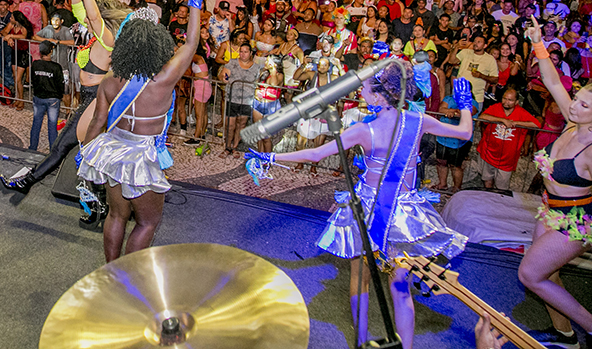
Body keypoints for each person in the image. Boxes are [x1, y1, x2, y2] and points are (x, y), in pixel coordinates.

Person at [245, 64, 473, 349]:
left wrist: (271, 159)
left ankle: (361, 343)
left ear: (380, 96)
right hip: (403, 216)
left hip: (369, 212)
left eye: (365, 89)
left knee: (360, 281)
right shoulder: (418, 120)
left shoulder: (364, 130)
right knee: (401, 287)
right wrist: (465, 105)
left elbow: (316, 154)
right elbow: (464, 132)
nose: (360, 91)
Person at [78, 0, 206, 262]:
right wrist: (194, 3)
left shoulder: (110, 81)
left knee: (116, 215)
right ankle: (128, 276)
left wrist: (85, 154)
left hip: (112, 151)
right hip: (142, 156)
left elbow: (98, 123)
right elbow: (192, 42)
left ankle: (111, 271)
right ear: (158, 45)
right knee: (147, 222)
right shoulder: (163, 80)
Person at [0, 0, 129, 213]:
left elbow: (90, 14)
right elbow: (81, 11)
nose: (86, 22)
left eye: (92, 20)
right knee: (86, 150)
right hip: (88, 98)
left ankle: (29, 182)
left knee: (62, 147)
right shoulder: (95, 34)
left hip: (96, 100)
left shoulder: (107, 39)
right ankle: (98, 200)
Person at [517, 18, 592, 349]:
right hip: (549, 210)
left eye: (584, 104)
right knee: (548, 275)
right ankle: (566, 336)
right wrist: (537, 42)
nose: (574, 104)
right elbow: (551, 79)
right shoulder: (574, 119)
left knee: (529, 275)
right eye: (577, 98)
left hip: (575, 223)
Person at [475, 87, 541, 191]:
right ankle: (488, 196)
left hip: (507, 159)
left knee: (502, 186)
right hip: (488, 153)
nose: (506, 102)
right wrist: (503, 120)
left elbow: (537, 124)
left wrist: (515, 123)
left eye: (510, 100)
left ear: (516, 102)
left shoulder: (521, 112)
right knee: (487, 179)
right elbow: (482, 117)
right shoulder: (495, 107)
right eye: (505, 98)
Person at [29, 41, 65, 151]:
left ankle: (32, 147)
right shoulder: (56, 67)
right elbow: (60, 84)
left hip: (39, 97)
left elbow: (33, 80)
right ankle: (53, 150)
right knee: (52, 125)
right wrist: (59, 95)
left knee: (36, 123)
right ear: (51, 52)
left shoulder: (35, 64)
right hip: (53, 99)